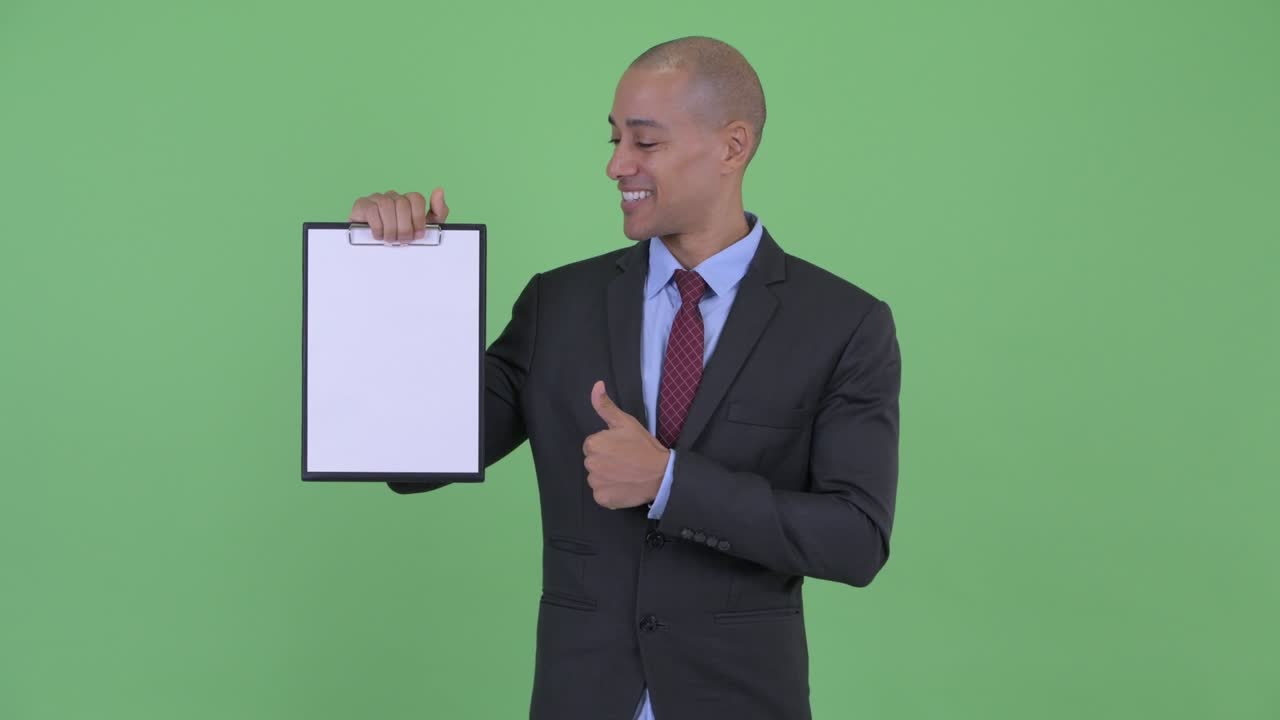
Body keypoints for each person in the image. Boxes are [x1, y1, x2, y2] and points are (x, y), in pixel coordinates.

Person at [348, 36, 902, 720]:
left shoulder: (843, 323)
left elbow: (856, 539)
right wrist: (399, 278)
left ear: (733, 147)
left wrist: (672, 482)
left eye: (645, 142)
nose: (616, 165)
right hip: (581, 699)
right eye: (614, 139)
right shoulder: (559, 305)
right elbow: (413, 460)